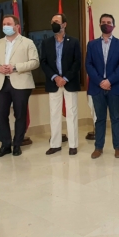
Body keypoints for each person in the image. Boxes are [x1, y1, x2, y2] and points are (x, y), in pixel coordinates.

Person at [0, 14, 39, 158]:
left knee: (20, 115)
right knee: (0, 115)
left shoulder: (27, 42)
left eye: (9, 24)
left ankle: (17, 145)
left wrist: (15, 67)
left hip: (21, 83)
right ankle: (5, 145)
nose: (6, 26)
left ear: (17, 26)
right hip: (1, 84)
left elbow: (35, 62)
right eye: (4, 24)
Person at [86, 14, 119, 159]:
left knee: (116, 118)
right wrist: (100, 82)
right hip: (97, 87)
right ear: (99, 25)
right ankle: (98, 147)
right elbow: (88, 65)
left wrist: (109, 81)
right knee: (100, 119)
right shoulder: (91, 44)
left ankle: (117, 147)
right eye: (103, 22)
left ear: (113, 26)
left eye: (109, 22)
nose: (106, 24)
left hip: (114, 87)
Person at [40, 13, 81, 156]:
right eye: (52, 21)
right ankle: (55, 144)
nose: (54, 24)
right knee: (54, 114)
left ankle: (73, 145)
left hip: (69, 82)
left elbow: (77, 62)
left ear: (64, 24)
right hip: (54, 83)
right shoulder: (46, 42)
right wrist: (55, 77)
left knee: (72, 113)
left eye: (57, 21)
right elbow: (43, 62)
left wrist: (66, 78)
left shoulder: (74, 41)